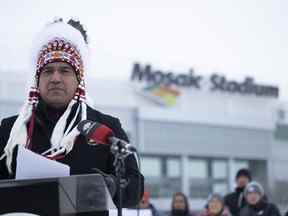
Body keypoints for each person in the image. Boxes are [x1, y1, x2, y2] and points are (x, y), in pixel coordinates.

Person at [0, 18, 144, 213]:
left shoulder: (105, 128)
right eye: (48, 71)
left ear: (79, 80)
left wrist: (110, 185)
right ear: (38, 81)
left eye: (65, 71)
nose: (56, 78)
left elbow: (135, 190)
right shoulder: (10, 130)